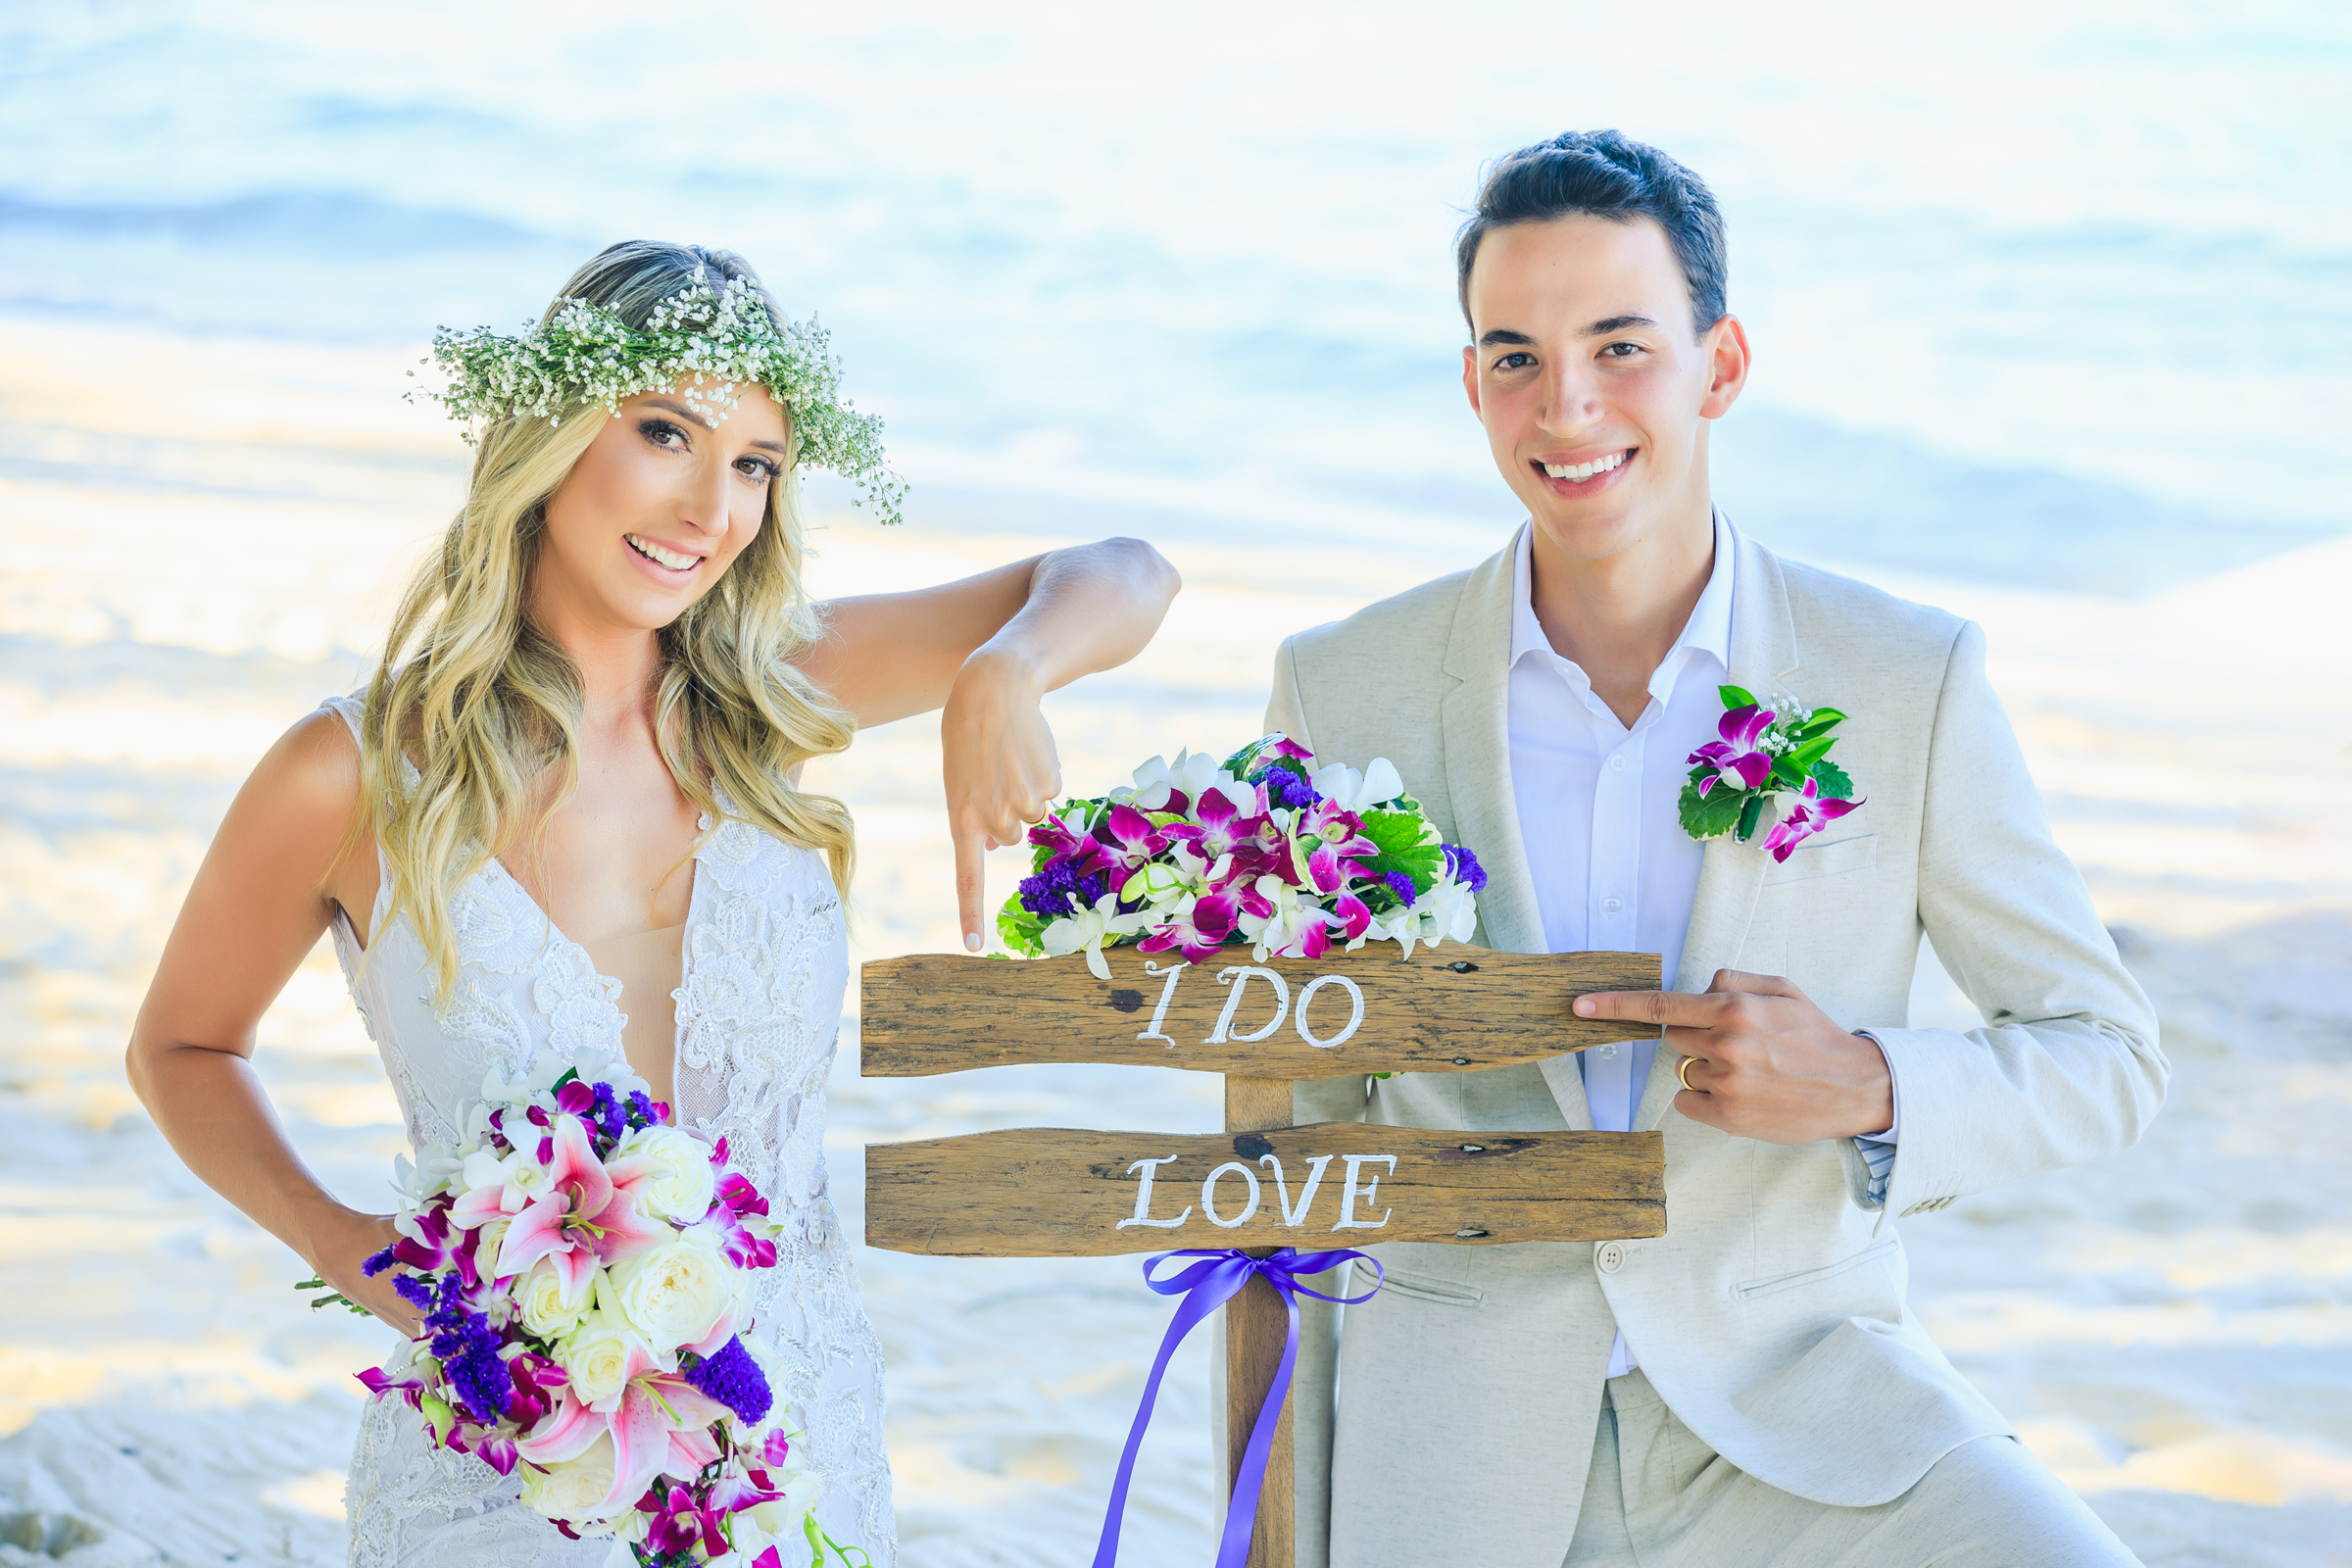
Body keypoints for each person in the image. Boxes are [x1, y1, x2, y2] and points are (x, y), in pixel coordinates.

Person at [122, 240, 1180, 1567]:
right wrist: (345, 1246)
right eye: (666, 434)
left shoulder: (775, 698)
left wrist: (1004, 673)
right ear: (552, 436)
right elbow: (179, 1048)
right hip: (507, 1463)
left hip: (794, 1430)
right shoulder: (354, 774)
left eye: (755, 466)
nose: (708, 510)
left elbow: (1127, 570)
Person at [1261, 132, 2164, 1566]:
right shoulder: (1342, 688)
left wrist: (1871, 1084)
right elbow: (1300, 1130)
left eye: (1620, 346)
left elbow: (2104, 1055)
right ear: (1473, 384)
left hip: (1812, 1416)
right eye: (1515, 357)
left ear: (1720, 365)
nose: (1567, 405)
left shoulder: (1906, 677)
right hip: (1456, 1455)